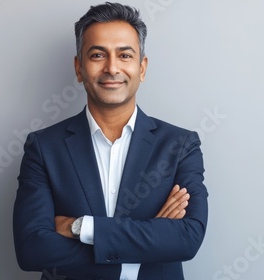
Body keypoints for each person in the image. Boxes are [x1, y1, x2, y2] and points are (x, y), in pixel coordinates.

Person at [12, 2, 208, 280]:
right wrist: (151, 236)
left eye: (125, 55)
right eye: (97, 55)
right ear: (79, 69)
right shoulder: (44, 147)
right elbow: (31, 249)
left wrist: (82, 228)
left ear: (142, 68)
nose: (112, 67)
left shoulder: (180, 145)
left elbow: (187, 238)